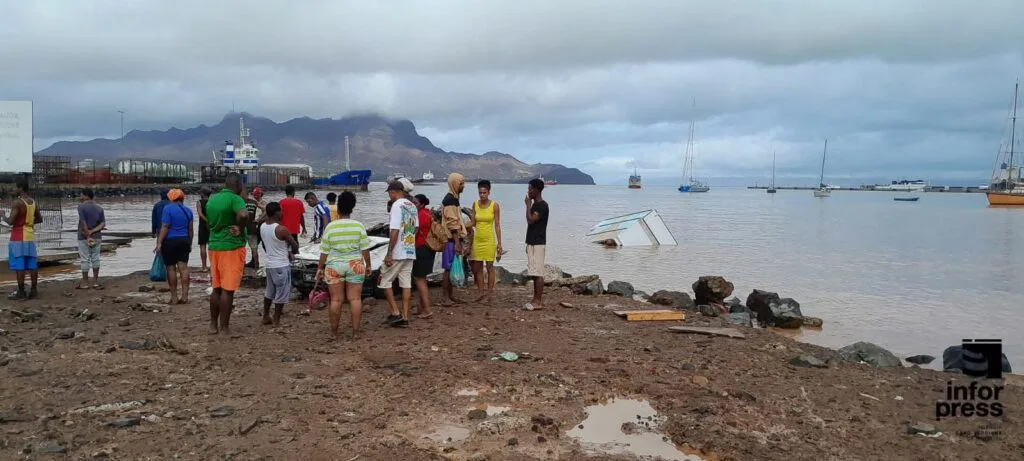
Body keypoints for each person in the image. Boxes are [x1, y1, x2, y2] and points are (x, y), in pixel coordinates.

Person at [316, 191, 372, 339]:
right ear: (352, 208)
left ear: (338, 209)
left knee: (335, 300)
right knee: (355, 299)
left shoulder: (331, 227)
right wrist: (368, 265)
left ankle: (334, 333)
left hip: (334, 265)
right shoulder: (358, 226)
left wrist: (320, 268)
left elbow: (324, 251)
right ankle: (355, 333)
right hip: (355, 265)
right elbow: (365, 249)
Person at [206, 173, 250, 335]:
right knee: (228, 289)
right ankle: (225, 327)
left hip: (214, 246)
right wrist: (240, 227)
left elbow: (207, 220)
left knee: (216, 288)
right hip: (231, 247)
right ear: (238, 183)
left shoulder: (213, 198)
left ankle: (213, 325)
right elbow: (244, 214)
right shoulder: (235, 198)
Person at [380, 181, 418, 328]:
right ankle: (405, 317)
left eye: (390, 193)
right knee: (406, 283)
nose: (390, 196)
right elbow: (415, 228)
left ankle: (395, 312)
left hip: (398, 251)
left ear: (393, 192)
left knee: (384, 280)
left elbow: (394, 230)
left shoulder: (396, 205)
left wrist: (389, 253)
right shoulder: (412, 205)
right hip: (410, 249)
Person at [260, 202, 299, 326]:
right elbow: (295, 246)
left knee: (269, 292)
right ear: (276, 212)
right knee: (281, 293)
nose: (282, 213)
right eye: (281, 211)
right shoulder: (281, 229)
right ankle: (276, 321)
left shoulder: (263, 227)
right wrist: (292, 250)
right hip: (281, 265)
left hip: (270, 264)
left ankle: (266, 316)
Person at [2, 180, 42, 300]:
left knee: (19, 264)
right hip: (30, 235)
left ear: (20, 188)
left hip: (18, 236)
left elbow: (10, 221)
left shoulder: (17, 202)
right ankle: (34, 290)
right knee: (32, 264)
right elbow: (39, 219)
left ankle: (21, 291)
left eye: (16, 188)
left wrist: (2, 214)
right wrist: (27, 222)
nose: (14, 190)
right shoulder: (33, 202)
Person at [155, 189, 194, 305]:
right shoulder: (188, 210)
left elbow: (165, 226)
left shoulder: (167, 209)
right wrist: (190, 243)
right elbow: (190, 230)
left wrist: (159, 242)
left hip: (170, 241)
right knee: (184, 268)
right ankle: (185, 296)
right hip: (184, 240)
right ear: (182, 198)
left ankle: (174, 297)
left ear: (171, 198)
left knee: (171, 268)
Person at [469, 180, 502, 304]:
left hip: (489, 239)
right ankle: (480, 293)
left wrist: (499, 243)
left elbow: (497, 225)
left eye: (484, 192)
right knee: (477, 268)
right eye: (480, 192)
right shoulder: (475, 204)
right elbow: (473, 223)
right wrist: (461, 226)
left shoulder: (494, 205)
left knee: (489, 267)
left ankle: (490, 294)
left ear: (489, 192)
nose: (482, 195)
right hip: (478, 239)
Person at [440, 173, 467, 305]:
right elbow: (452, 223)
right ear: (455, 184)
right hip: (451, 240)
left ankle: (450, 295)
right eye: (461, 183)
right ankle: (446, 297)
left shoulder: (454, 199)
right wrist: (457, 242)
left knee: (451, 267)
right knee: (448, 268)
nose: (463, 186)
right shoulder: (450, 200)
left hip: (454, 239)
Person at [524, 178, 549, 311]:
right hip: (532, 242)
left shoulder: (541, 205)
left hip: (538, 242)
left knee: (538, 272)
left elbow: (531, 220)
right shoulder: (535, 205)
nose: (528, 192)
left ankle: (538, 301)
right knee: (533, 271)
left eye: (530, 189)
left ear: (536, 190)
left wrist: (528, 205)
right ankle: (535, 298)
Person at [411, 194, 435, 319]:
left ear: (421, 204)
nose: (413, 205)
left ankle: (427, 309)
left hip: (421, 248)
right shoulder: (427, 213)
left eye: (415, 203)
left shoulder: (420, 215)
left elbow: (413, 232)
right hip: (427, 248)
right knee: (422, 279)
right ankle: (422, 307)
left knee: (419, 279)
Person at [76, 189, 106, 289]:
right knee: (95, 258)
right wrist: (93, 231)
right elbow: (103, 224)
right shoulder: (99, 208)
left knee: (85, 259)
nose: (80, 198)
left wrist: (88, 234)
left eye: (81, 195)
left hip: (84, 237)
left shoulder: (81, 207)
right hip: (97, 237)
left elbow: (83, 221)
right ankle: (96, 282)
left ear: (86, 196)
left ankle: (85, 282)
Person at [244, 187, 267, 268]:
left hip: (259, 226)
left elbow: (266, 212)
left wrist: (258, 219)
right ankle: (253, 262)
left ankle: (256, 263)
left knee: (261, 245)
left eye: (257, 195)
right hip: (254, 226)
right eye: (254, 195)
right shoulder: (254, 202)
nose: (255, 196)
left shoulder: (262, 202)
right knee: (254, 246)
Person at [279, 185, 306, 252]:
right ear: (293, 192)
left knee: (284, 248)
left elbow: (278, 217)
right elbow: (301, 217)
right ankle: (296, 260)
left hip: (283, 230)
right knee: (295, 246)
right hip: (294, 230)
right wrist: (304, 228)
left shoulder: (281, 202)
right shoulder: (299, 202)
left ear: (286, 193)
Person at [196, 188, 212, 273]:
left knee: (202, 246)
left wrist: (205, 220)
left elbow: (200, 213)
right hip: (211, 225)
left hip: (202, 226)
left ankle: (204, 266)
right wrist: (210, 221)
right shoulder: (212, 202)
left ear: (203, 194)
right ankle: (213, 266)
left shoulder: (199, 202)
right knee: (211, 246)